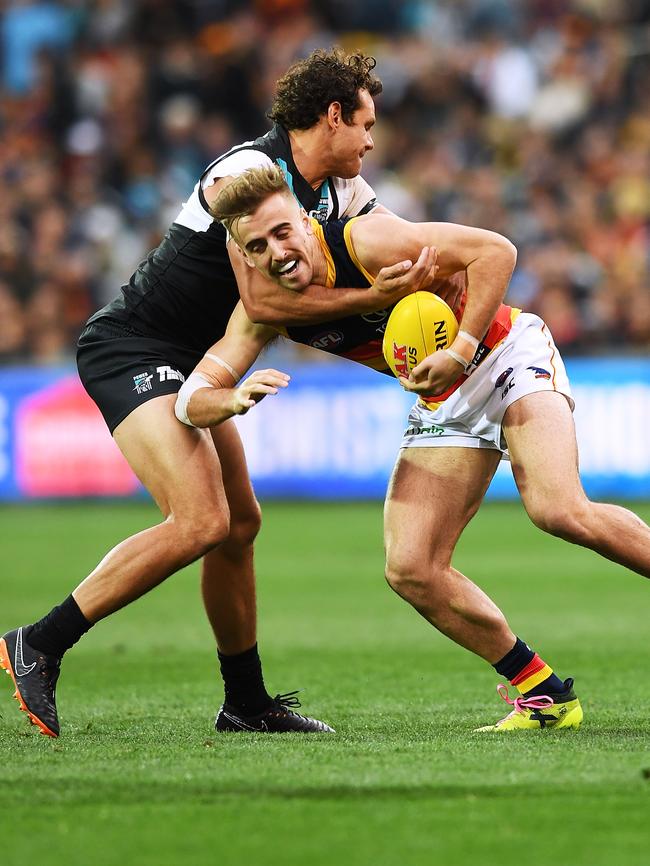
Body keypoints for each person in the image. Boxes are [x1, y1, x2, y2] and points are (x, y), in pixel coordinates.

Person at [0, 48, 439, 738]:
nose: (371, 139)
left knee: (238, 526)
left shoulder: (336, 191)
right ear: (332, 116)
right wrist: (369, 295)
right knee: (201, 521)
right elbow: (266, 296)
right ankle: (39, 643)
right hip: (133, 349)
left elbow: (391, 242)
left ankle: (245, 703)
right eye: (365, 123)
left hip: (195, 361)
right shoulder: (245, 174)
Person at [172, 164, 650, 731]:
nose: (276, 251)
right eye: (257, 245)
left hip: (504, 354)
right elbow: (190, 398)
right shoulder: (267, 312)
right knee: (411, 567)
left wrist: (463, 343)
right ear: (245, 258)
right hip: (445, 400)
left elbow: (496, 252)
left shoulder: (364, 241)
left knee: (558, 509)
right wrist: (226, 401)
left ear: (304, 220)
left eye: (282, 232)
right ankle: (544, 695)